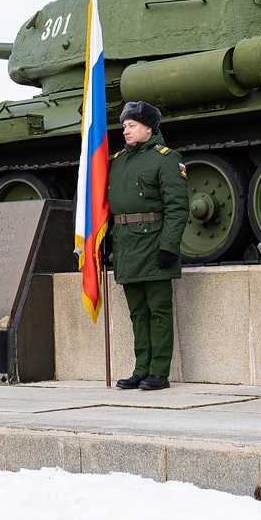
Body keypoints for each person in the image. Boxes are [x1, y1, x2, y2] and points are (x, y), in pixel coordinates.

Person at [109, 101, 189, 391]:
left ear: (148, 128)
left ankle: (159, 371)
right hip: (126, 245)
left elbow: (178, 208)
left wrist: (169, 246)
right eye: (125, 126)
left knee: (158, 310)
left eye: (131, 125)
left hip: (155, 245)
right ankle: (141, 369)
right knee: (137, 312)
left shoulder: (166, 159)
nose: (125, 131)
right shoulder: (117, 161)